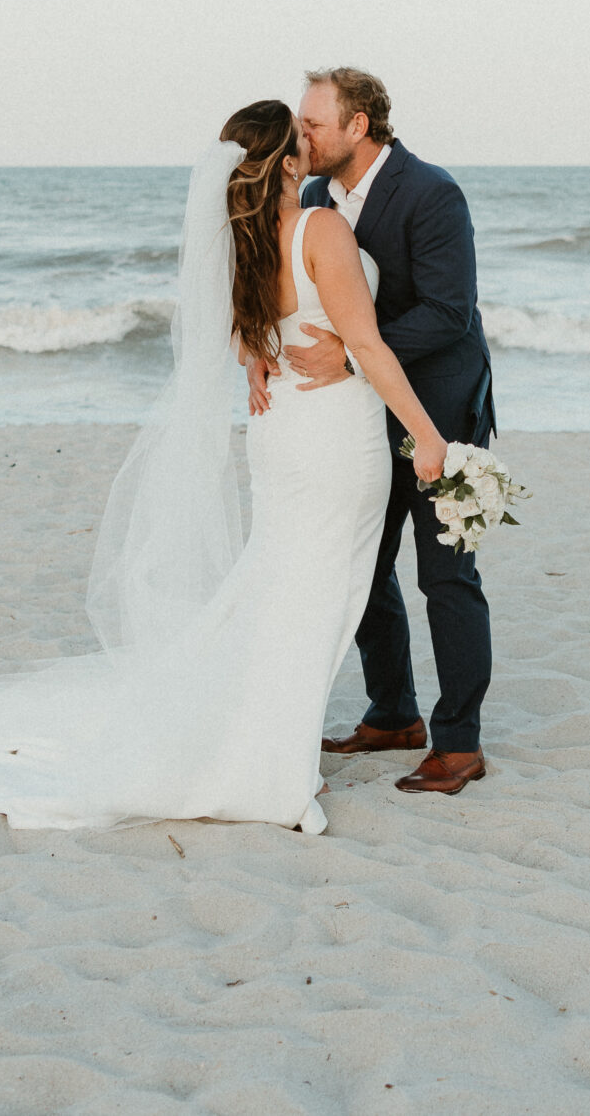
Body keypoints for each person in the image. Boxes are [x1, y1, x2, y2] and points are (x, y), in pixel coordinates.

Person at [0, 99, 448, 833]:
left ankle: (268, 734)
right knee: (313, 595)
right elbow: (366, 345)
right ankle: (265, 755)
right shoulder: (321, 228)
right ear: (286, 161)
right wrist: (427, 436)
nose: (311, 138)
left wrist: (261, 357)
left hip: (279, 433)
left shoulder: (246, 241)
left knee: (282, 584)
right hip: (333, 435)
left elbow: (244, 339)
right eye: (301, 133)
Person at [251, 67, 497, 795]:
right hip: (355, 419)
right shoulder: (316, 199)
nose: (300, 136)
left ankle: (460, 743)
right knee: (363, 561)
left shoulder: (431, 193)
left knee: (445, 575)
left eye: (313, 124)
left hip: (438, 408)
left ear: (358, 126)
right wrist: (261, 351)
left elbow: (450, 312)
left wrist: (352, 353)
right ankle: (393, 714)